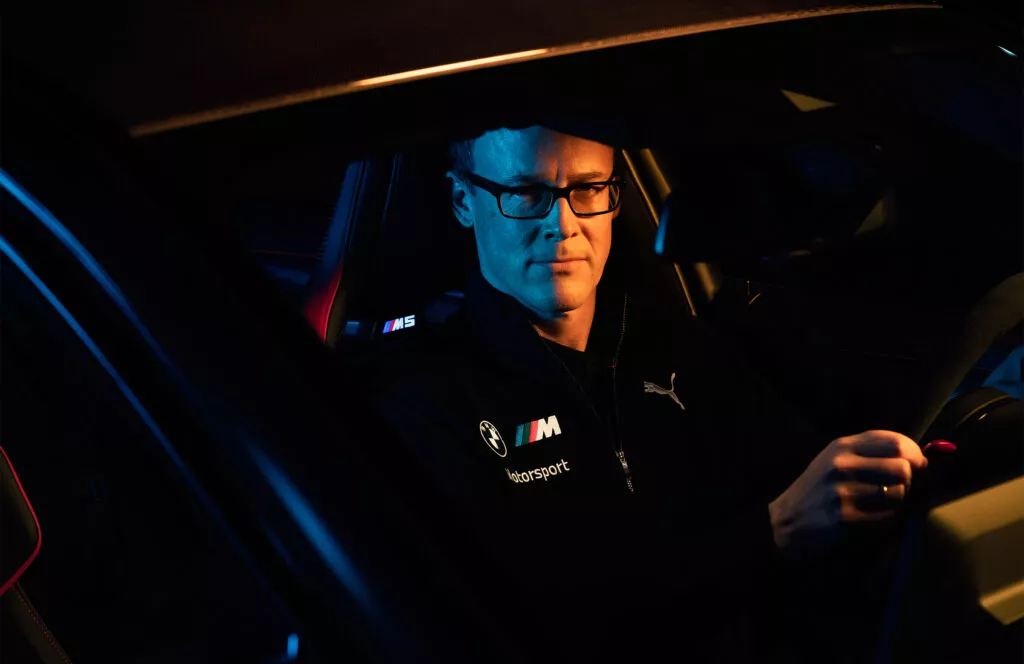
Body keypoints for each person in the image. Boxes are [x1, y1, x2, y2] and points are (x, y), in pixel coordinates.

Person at [364, 125, 928, 662]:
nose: (563, 226)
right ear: (462, 200)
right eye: (526, 193)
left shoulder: (678, 343)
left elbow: (801, 479)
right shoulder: (426, 403)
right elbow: (533, 620)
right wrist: (771, 533)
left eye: (588, 189)